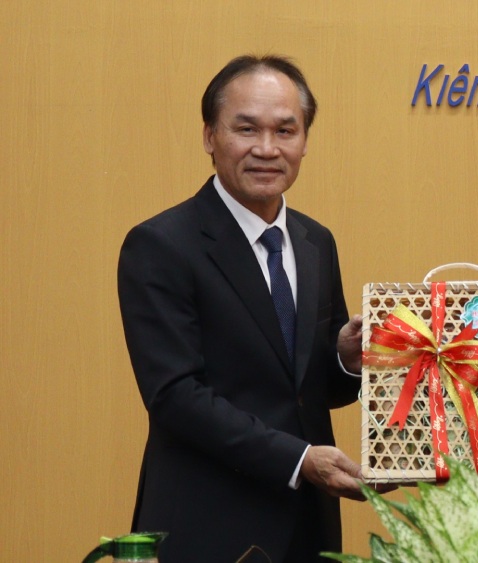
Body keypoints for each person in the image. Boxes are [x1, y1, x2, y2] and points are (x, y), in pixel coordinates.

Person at [117, 55, 368, 562]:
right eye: (247, 128)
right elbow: (175, 396)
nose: (267, 149)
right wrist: (299, 459)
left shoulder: (315, 241)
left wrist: (345, 358)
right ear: (210, 136)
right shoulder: (161, 244)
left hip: (309, 528)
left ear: (304, 141)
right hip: (207, 525)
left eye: (285, 130)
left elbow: (310, 391)